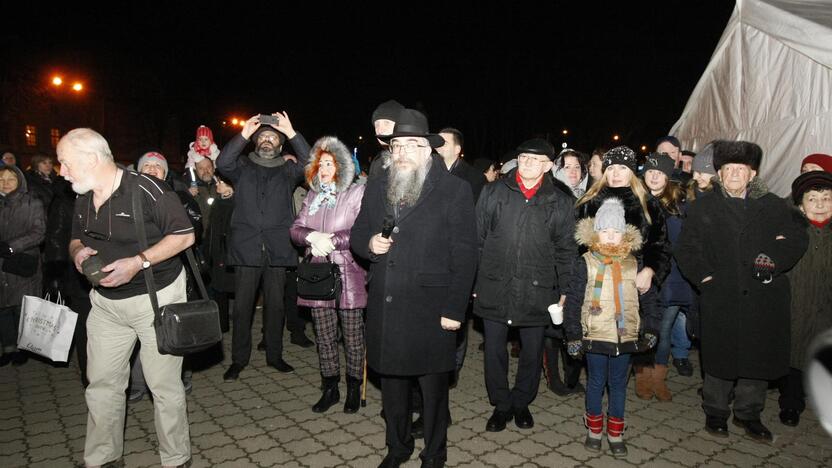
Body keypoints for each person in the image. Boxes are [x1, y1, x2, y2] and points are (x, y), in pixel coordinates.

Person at [59, 128, 195, 467]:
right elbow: (75, 237)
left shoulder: (147, 189)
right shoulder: (82, 194)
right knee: (101, 384)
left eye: (66, 163)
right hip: (105, 304)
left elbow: (185, 235)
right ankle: (104, 458)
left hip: (156, 299)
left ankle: (176, 459)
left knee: (163, 386)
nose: (62, 171)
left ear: (91, 159)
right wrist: (78, 253)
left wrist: (138, 262)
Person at [350, 109, 478, 468]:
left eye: (411, 144)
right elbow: (359, 233)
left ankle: (434, 454)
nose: (402, 151)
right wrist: (369, 243)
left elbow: (466, 254)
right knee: (391, 387)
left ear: (427, 149)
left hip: (431, 308)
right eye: (397, 145)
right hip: (387, 304)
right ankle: (398, 447)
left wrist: (455, 310)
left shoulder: (455, 189)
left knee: (433, 392)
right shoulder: (377, 185)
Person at [675, 140, 808, 442]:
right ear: (719, 174)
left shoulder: (774, 205)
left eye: (741, 169)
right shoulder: (703, 207)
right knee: (721, 357)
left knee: (756, 358)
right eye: (728, 169)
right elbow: (687, 249)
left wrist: (773, 258)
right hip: (722, 294)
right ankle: (716, 412)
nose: (734, 174)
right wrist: (705, 278)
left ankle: (749, 414)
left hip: (763, 296)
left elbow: (796, 239)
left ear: (752, 173)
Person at [474, 138, 577, 432]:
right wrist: (475, 281)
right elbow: (477, 240)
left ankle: (521, 402)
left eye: (535, 159)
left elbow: (566, 250)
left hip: (538, 288)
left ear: (547, 165)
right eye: (523, 157)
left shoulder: (561, 201)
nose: (527, 162)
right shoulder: (494, 192)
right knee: (494, 350)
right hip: (495, 284)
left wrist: (565, 289)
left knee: (532, 351)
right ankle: (501, 405)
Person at [215, 112, 312, 381]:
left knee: (276, 306)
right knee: (243, 308)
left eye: (273, 138)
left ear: (281, 146)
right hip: (246, 249)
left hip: (278, 249)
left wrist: (292, 132)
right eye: (263, 137)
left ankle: (275, 356)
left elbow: (310, 162)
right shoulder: (242, 167)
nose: (267, 140)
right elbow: (223, 162)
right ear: (255, 143)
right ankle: (238, 360)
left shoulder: (289, 171)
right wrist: (244, 133)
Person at [565, 198, 658, 456]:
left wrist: (652, 328)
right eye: (604, 230)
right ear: (596, 232)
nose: (610, 236)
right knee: (595, 382)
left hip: (624, 336)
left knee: (618, 384)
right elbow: (573, 300)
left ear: (624, 234)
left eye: (615, 231)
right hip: (595, 335)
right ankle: (594, 429)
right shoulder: (585, 262)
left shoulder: (633, 264)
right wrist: (573, 334)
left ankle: (615, 432)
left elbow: (650, 298)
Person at [576, 146, 670, 399]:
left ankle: (621, 394)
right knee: (596, 347)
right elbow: (576, 247)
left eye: (623, 168)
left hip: (632, 283)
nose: (616, 174)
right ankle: (595, 403)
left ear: (632, 172)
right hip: (596, 286)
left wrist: (650, 270)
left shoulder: (648, 204)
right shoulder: (589, 201)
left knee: (626, 342)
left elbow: (660, 245)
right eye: (611, 168)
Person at [290, 136, 367, 414]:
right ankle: (330, 387)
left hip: (348, 272)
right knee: (324, 336)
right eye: (320, 163)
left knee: (353, 336)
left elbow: (360, 231)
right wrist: (311, 235)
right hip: (318, 275)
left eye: (330, 163)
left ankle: (353, 389)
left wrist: (332, 240)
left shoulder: (356, 193)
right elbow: (295, 230)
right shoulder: (311, 196)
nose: (323, 168)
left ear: (341, 167)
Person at [777, 171, 832, 427]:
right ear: (801, 204)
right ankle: (791, 403)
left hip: (826, 307)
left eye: (826, 198)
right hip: (795, 303)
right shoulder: (791, 231)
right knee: (794, 355)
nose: (820, 205)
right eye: (813, 199)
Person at [642, 153, 695, 396]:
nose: (654, 176)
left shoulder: (678, 206)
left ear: (667, 178)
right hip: (641, 275)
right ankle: (642, 374)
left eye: (660, 172)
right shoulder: (635, 201)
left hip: (671, 278)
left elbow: (681, 243)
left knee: (663, 330)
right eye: (650, 171)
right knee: (643, 327)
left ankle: (658, 377)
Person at [0, 164, 45, 367]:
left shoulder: (31, 202)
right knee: (3, 309)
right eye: (1, 179)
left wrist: (11, 247)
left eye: (11, 179)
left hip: (22, 263)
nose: (6, 183)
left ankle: (22, 347)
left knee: (21, 308)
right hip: (1, 266)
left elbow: (38, 232)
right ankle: (7, 348)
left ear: (19, 181)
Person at [437, 127, 486, 201]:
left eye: (444, 143)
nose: (438, 147)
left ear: (457, 149)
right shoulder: (429, 172)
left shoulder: (475, 178)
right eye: (438, 143)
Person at [368, 99, 405, 180]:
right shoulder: (378, 163)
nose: (379, 130)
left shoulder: (417, 161)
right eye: (377, 124)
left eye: (386, 123)